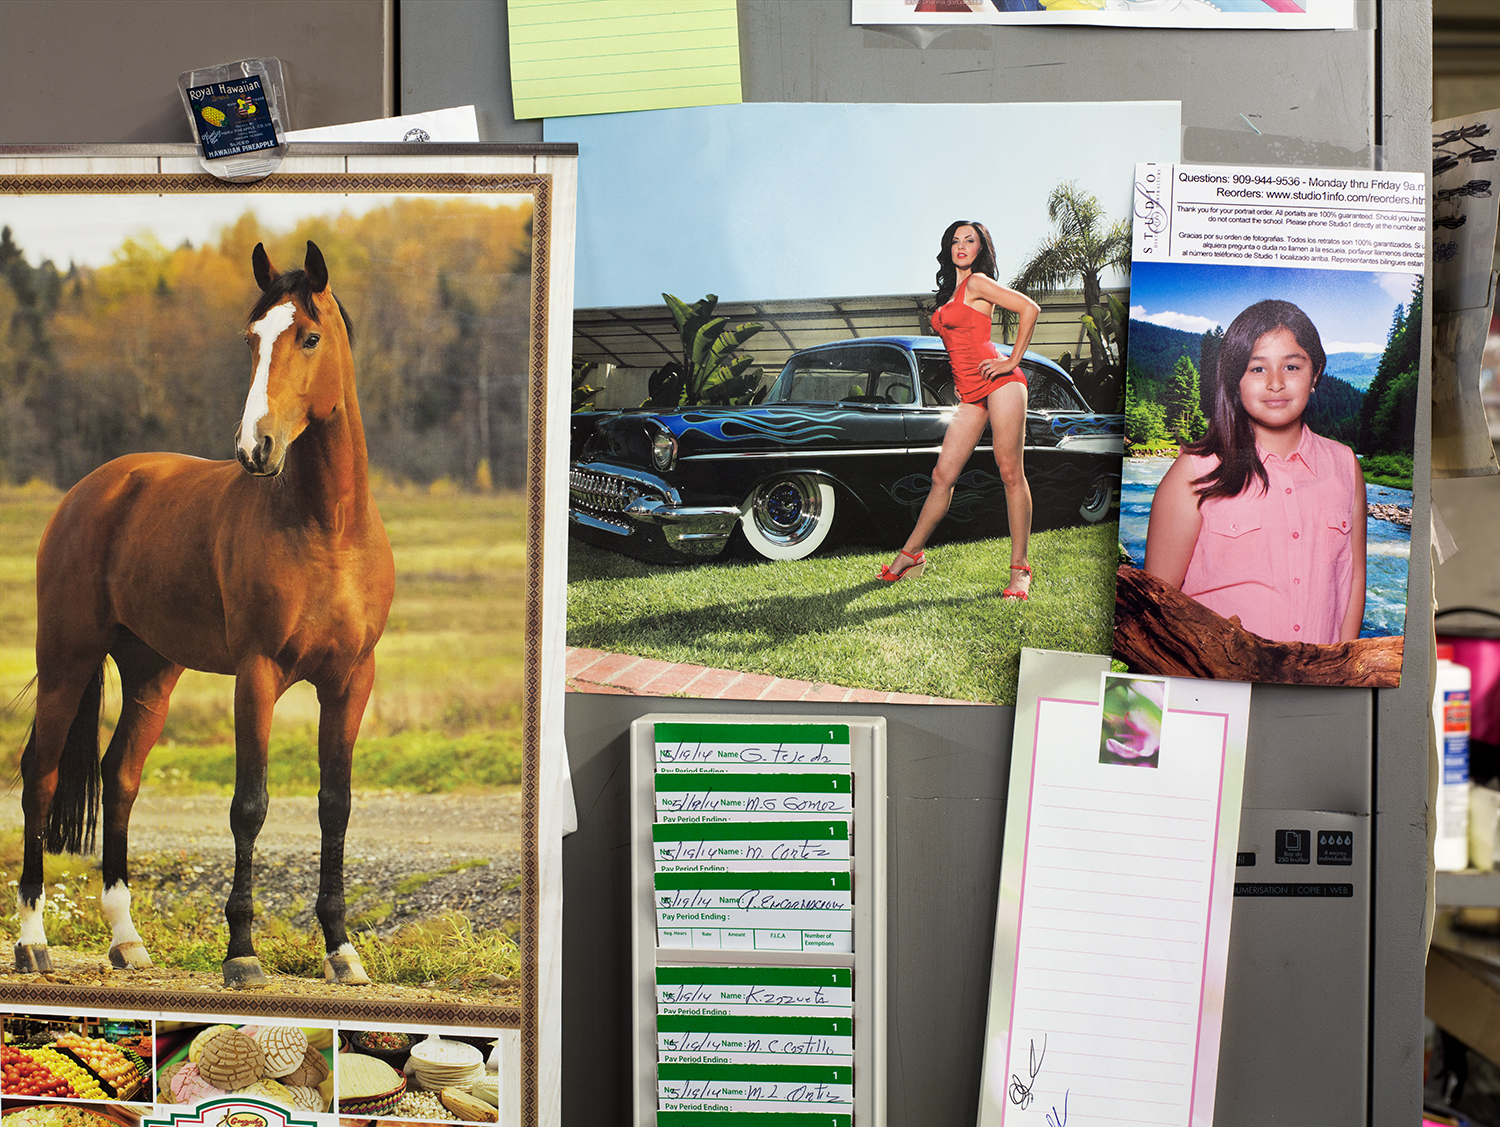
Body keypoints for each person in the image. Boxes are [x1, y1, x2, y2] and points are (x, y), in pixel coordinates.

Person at [1143, 299, 1366, 644]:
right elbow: (1155, 610)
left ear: (1316, 373)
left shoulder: (1345, 465)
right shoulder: (1192, 472)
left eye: (1292, 367)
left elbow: (1352, 580)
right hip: (1217, 688)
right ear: (1235, 380)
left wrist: (1342, 670)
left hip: (1316, 686)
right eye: (1257, 369)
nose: (1275, 383)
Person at [880, 220, 1041, 598]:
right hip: (970, 393)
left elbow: (1028, 309)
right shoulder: (950, 294)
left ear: (981, 248)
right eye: (955, 241)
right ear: (948, 249)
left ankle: (1021, 570)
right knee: (942, 475)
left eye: (970, 240)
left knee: (1009, 471)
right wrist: (959, 379)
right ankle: (911, 555)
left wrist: (1009, 360)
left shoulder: (978, 283)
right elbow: (958, 343)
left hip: (1002, 382)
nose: (962, 246)